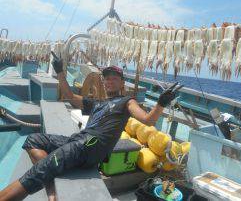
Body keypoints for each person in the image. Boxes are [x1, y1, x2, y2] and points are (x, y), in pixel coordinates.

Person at [0, 56, 180, 201]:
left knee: (38, 171)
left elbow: (148, 120)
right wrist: (60, 71)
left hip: (91, 146)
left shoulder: (127, 101)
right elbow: (69, 96)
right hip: (78, 140)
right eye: (107, 79)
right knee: (34, 140)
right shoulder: (98, 103)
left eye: (114, 79)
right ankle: (51, 184)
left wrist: (161, 104)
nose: (109, 81)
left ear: (122, 83)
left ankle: (42, 184)